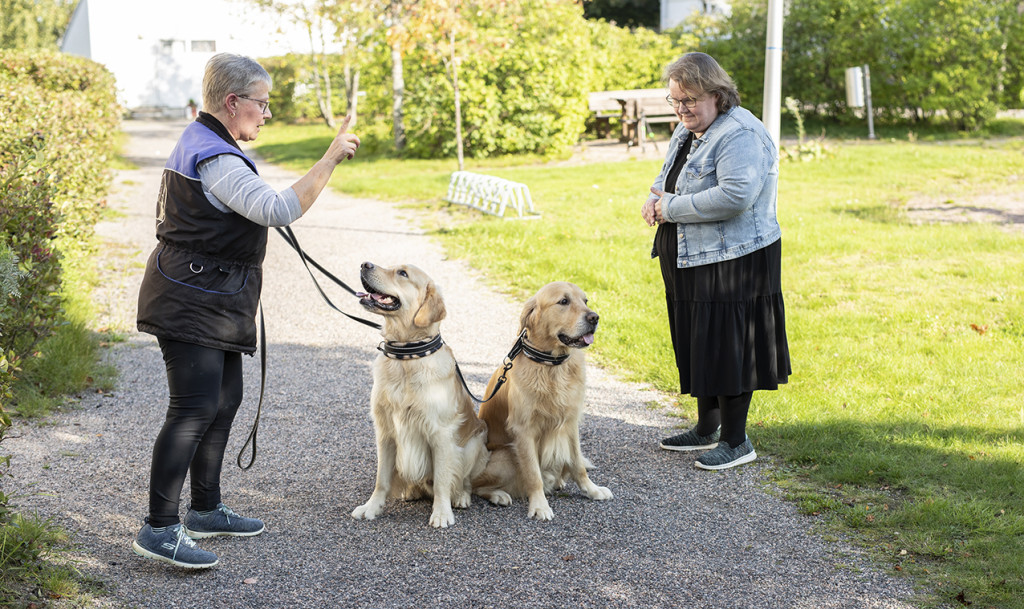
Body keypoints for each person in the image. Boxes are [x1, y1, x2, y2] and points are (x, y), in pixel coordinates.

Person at [132, 53, 361, 568]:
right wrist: (328, 158)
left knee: (225, 398)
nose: (267, 113)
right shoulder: (216, 157)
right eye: (261, 103)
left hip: (211, 297)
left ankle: (206, 508)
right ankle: (159, 527)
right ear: (232, 103)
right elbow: (277, 208)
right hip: (192, 300)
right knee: (192, 410)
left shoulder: (206, 139)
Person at [642, 52, 791, 471]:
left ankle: (737, 440)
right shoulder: (689, 129)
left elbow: (734, 197)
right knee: (697, 339)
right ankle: (705, 428)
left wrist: (669, 208)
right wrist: (654, 200)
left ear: (717, 93)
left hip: (734, 259)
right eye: (675, 100)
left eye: (689, 100)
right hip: (690, 255)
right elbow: (668, 175)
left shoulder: (741, 133)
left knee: (728, 345)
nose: (682, 109)